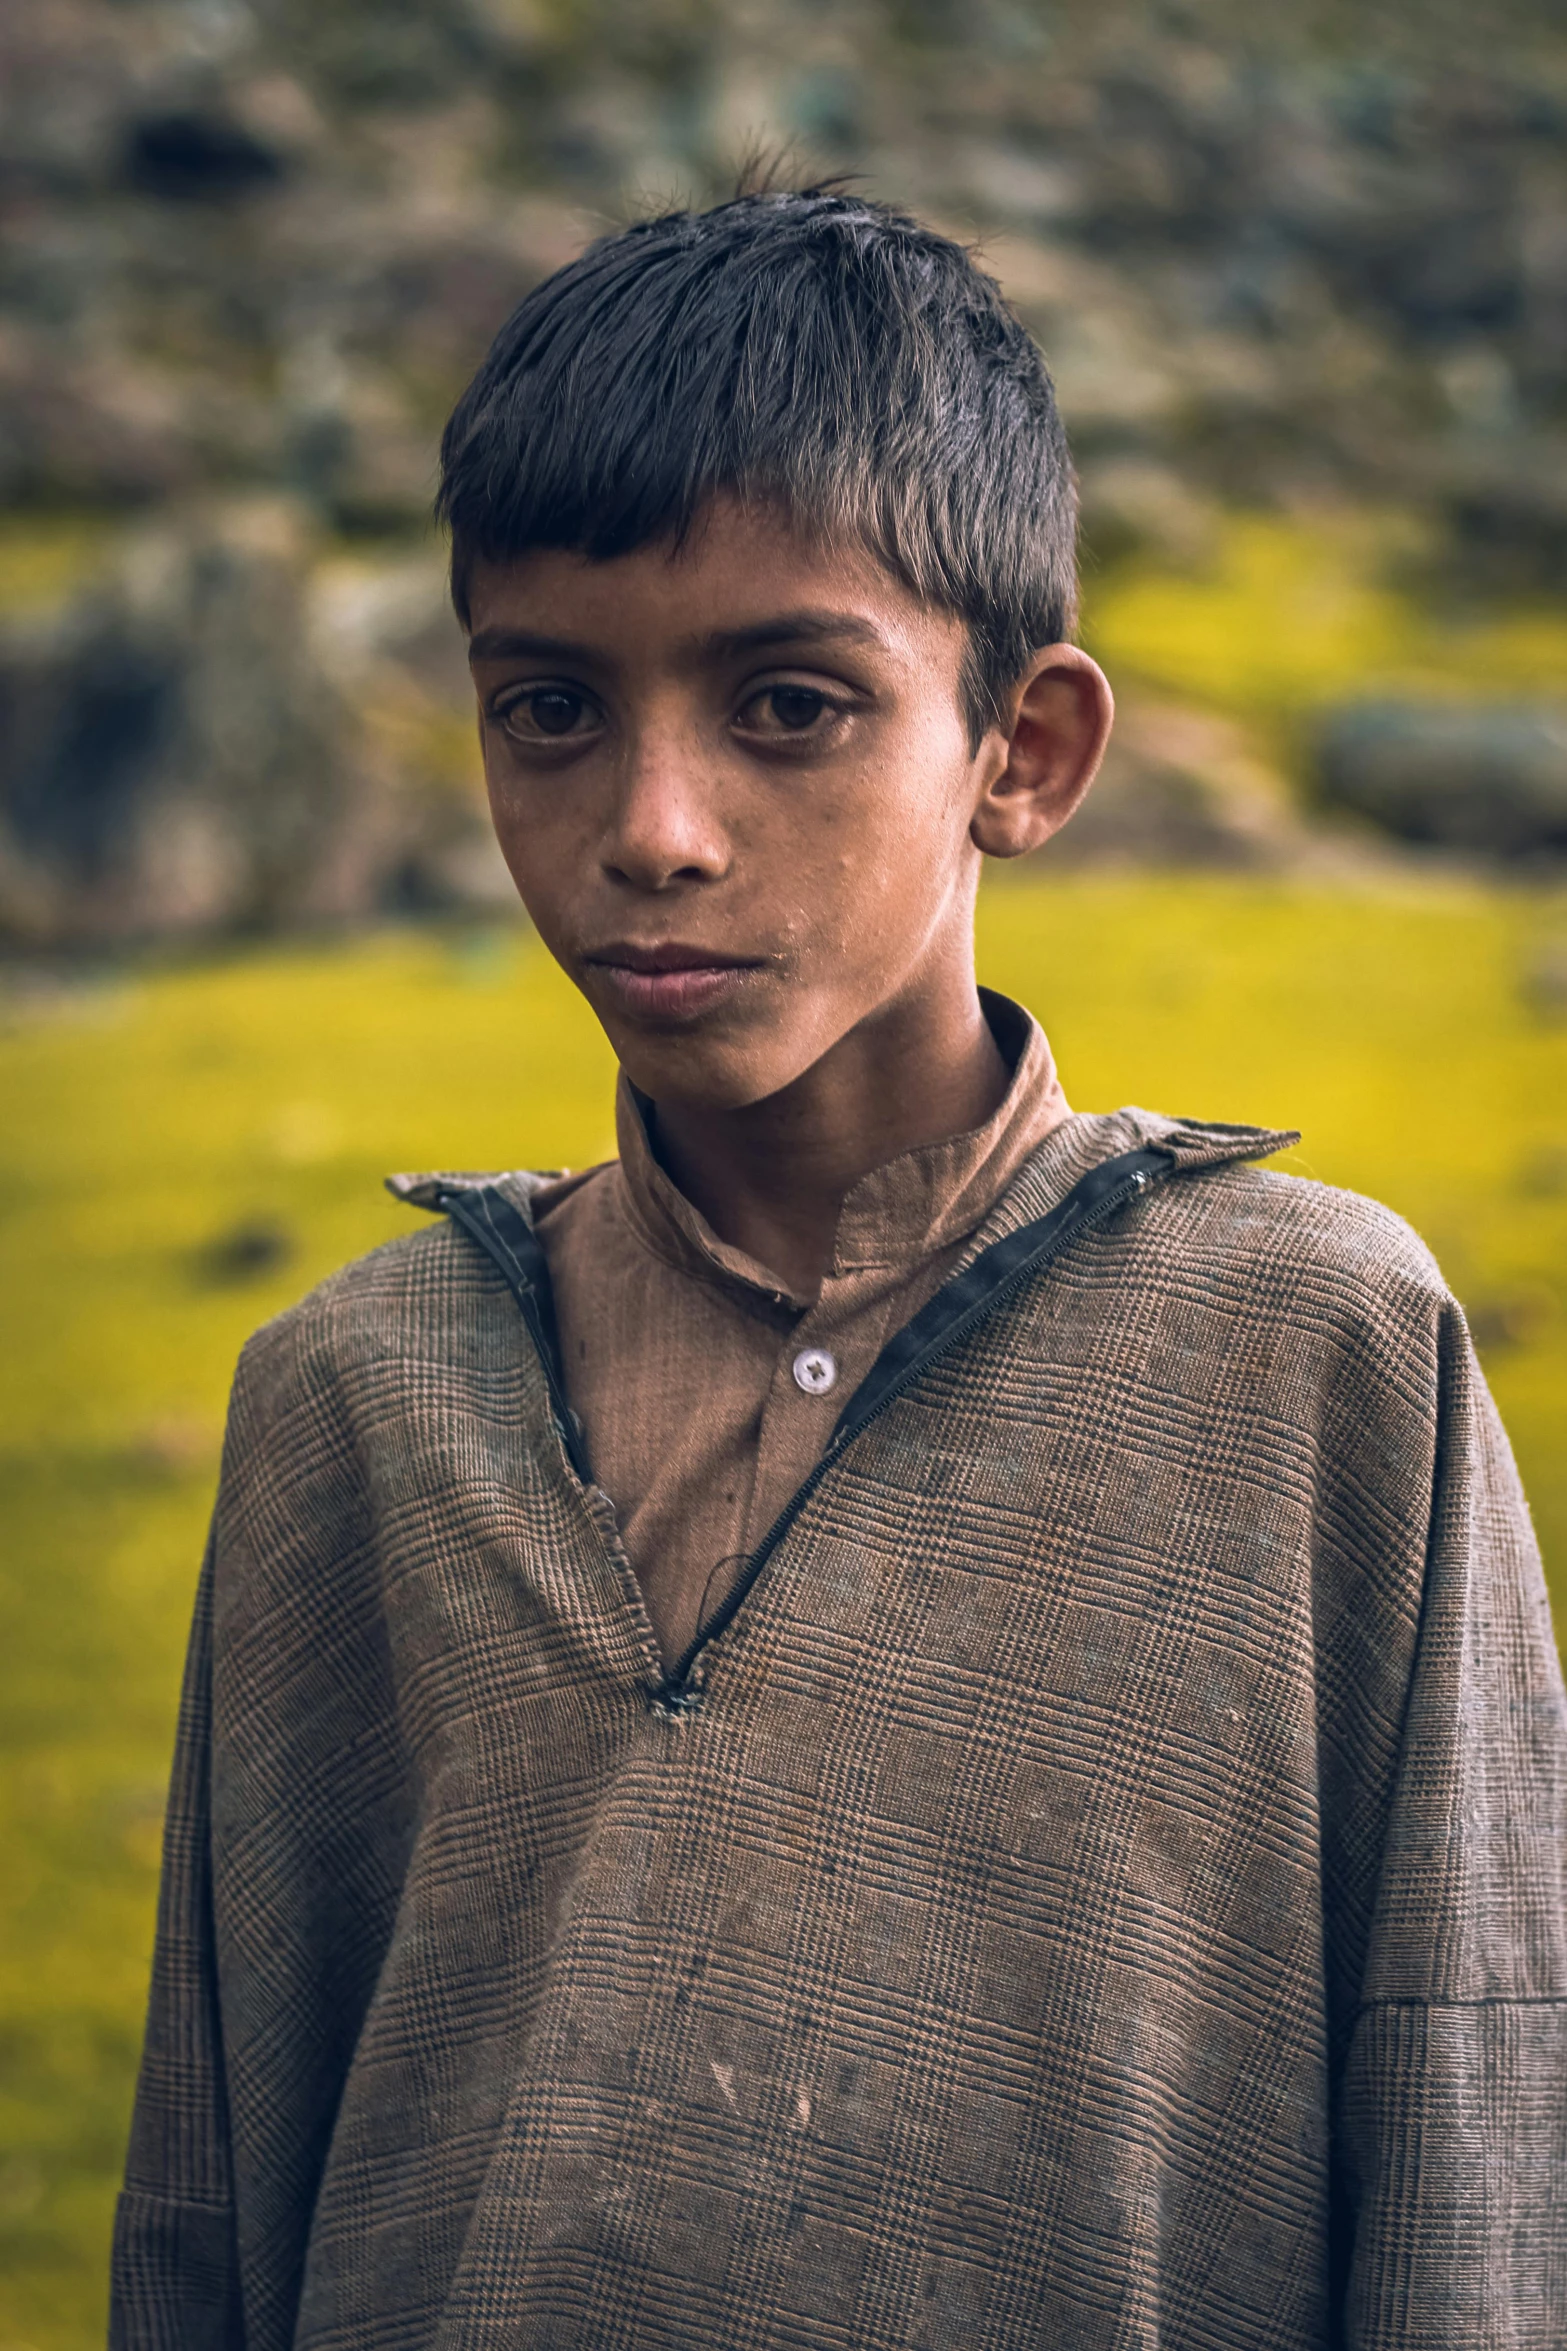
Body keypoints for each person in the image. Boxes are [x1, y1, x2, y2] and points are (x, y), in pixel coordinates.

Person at [111, 189, 1566, 2351]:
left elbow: (1475, 2138)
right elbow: (218, 2206)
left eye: (789, 704)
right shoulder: (356, 1393)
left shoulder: (1324, 1356)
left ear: (1024, 752)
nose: (656, 826)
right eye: (550, 710)